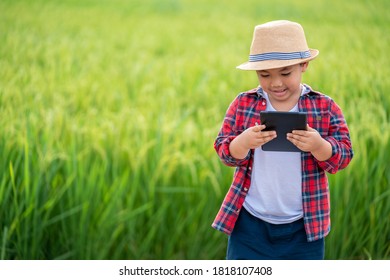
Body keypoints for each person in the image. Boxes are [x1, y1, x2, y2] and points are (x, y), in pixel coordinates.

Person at [212, 20, 353, 260]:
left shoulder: (324, 107)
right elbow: (224, 151)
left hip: (304, 227)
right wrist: (243, 142)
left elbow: (343, 157)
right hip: (249, 224)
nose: (275, 83)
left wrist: (319, 146)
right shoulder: (244, 103)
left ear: (304, 65)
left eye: (286, 73)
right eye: (264, 75)